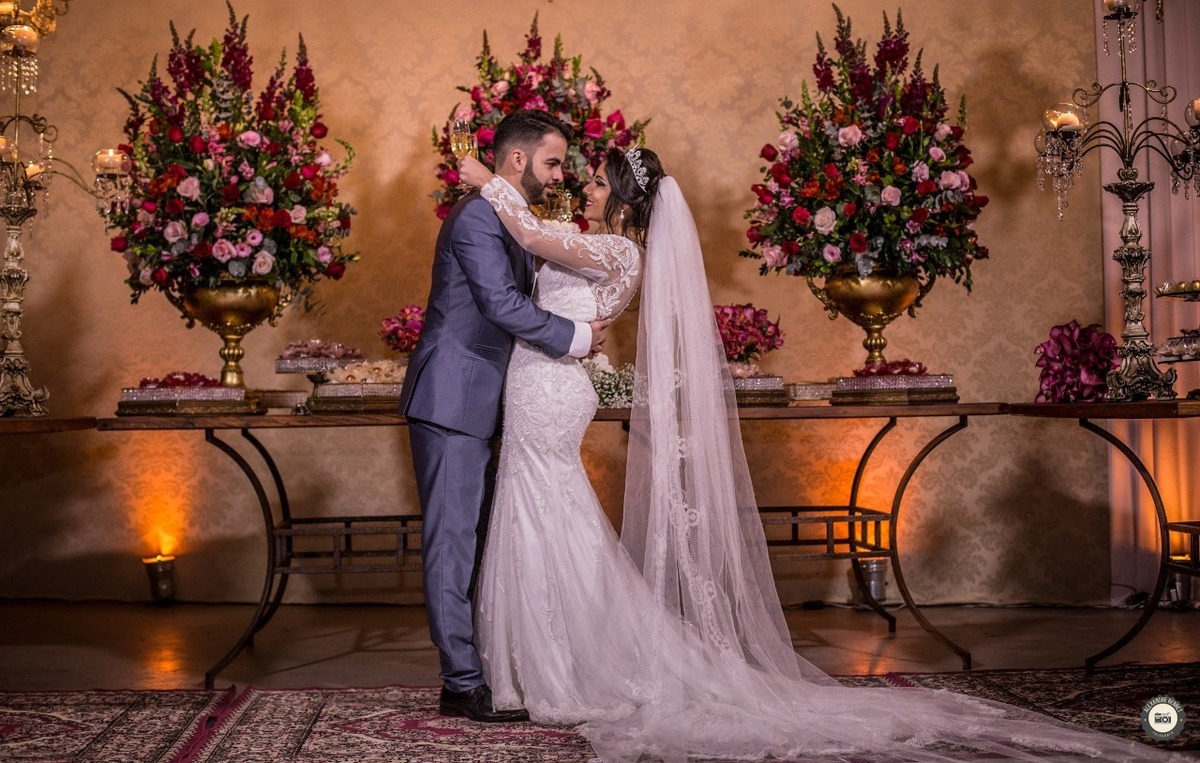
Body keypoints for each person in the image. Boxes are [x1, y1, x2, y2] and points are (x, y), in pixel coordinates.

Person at [456, 148, 1183, 761]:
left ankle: (558, 664)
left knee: (546, 508)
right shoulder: (599, 241)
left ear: (619, 196)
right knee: (546, 509)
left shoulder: (616, 248)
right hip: (542, 383)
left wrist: (481, 173)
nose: (580, 182)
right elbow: (534, 243)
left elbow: (531, 235)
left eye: (593, 178)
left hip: (551, 388)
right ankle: (548, 657)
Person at [398, 109, 610, 723]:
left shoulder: (509, 219)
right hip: (452, 396)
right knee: (452, 542)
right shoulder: (475, 218)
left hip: (486, 399)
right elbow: (500, 303)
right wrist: (577, 337)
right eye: (551, 162)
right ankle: (461, 683)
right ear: (516, 160)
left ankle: (480, 668)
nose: (559, 174)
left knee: (479, 540)